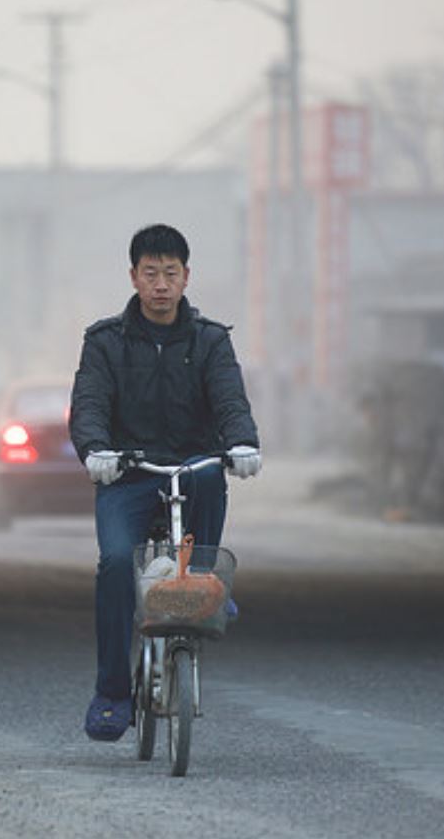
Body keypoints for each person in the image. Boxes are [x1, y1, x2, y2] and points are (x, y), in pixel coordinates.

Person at [68, 223, 262, 742]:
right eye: (150, 273)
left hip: (193, 468)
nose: (160, 284)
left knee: (208, 489)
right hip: (128, 473)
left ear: (186, 277)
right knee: (114, 564)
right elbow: (88, 404)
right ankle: (111, 693)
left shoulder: (210, 341)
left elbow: (230, 401)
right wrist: (96, 451)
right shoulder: (104, 342)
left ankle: (206, 585)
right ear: (133, 277)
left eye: (170, 273)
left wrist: (242, 443)